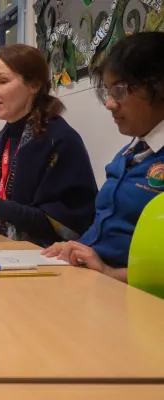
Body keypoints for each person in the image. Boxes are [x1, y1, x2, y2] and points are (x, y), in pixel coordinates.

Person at [42, 32, 164, 281]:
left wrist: (110, 272)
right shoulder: (134, 151)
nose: (109, 104)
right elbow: (107, 227)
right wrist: (75, 247)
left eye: (119, 92)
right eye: (108, 93)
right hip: (92, 282)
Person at [0, 44, 98, 247]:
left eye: (2, 81)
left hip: (49, 262)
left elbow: (69, 228)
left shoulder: (61, 140)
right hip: (5, 252)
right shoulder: (2, 140)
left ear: (34, 85)